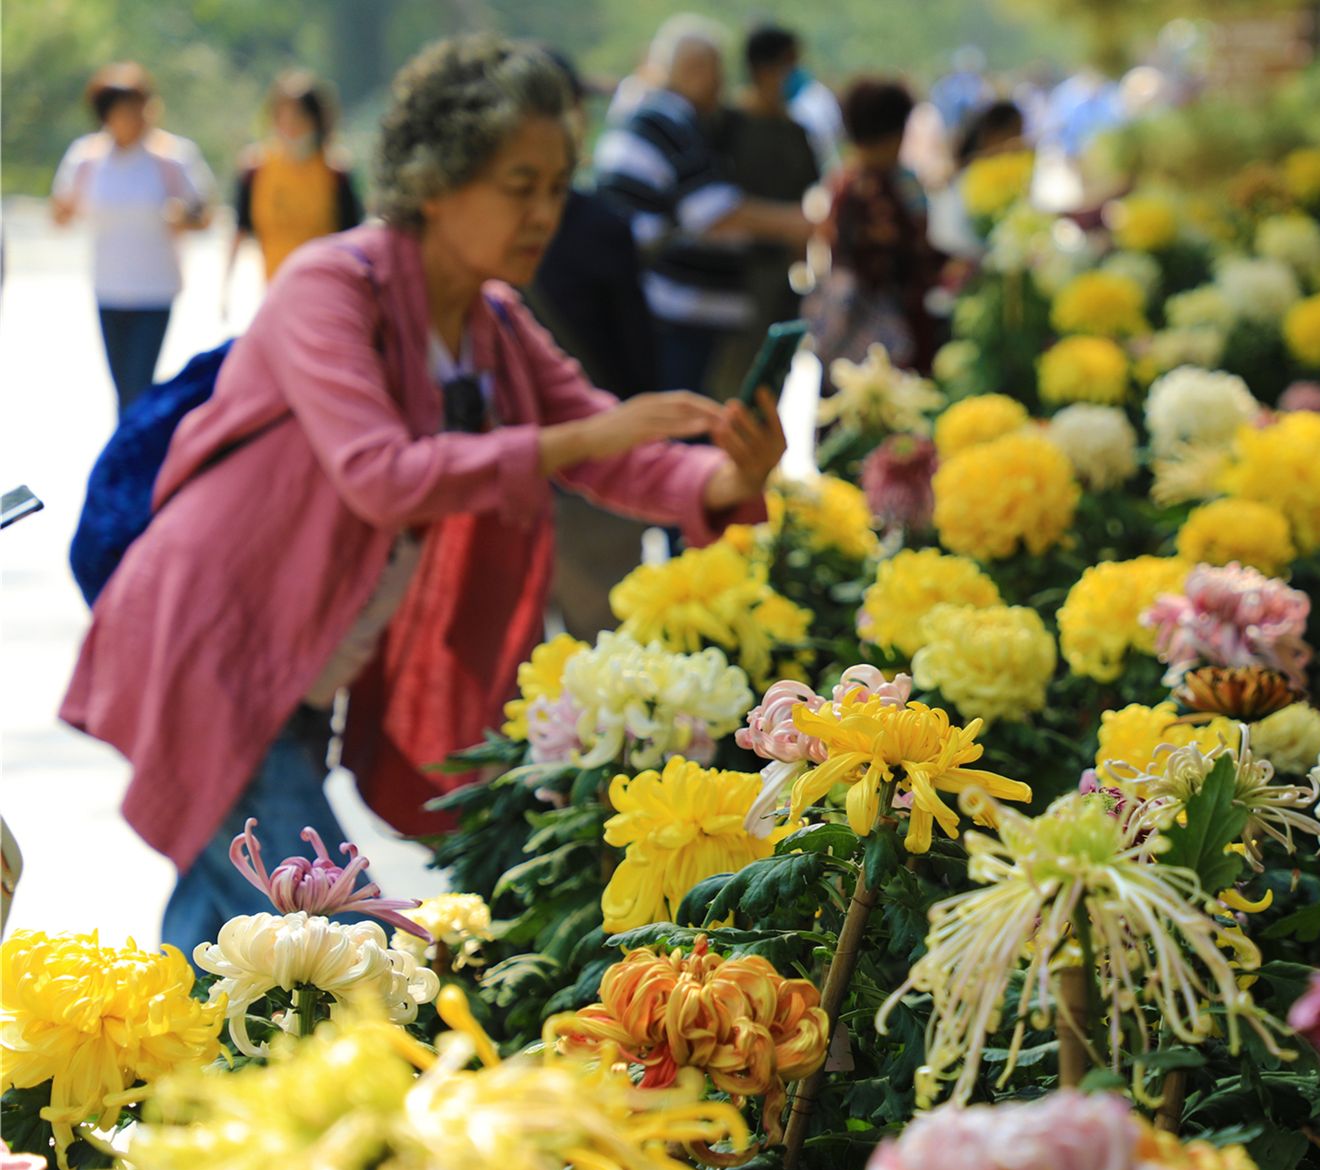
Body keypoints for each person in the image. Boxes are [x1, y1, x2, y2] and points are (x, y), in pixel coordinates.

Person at [61, 36, 784, 954]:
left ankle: (160, 1085)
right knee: (326, 945)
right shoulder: (328, 287)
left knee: (231, 938)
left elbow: (612, 455)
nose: (544, 215)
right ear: (436, 181)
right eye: (518, 186)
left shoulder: (490, 320)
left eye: (557, 187)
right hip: (221, 646)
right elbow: (380, 470)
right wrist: (581, 437)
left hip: (302, 666)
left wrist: (730, 475)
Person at [522, 46, 669, 642]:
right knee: (607, 681)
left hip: (563, 486)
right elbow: (638, 362)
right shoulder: (598, 223)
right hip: (580, 480)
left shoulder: (457, 233)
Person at [596, 16, 811, 394]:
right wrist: (798, 223)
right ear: (696, 69)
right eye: (716, 71)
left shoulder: (670, 117)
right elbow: (713, 212)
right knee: (684, 425)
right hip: (672, 309)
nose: (721, 84)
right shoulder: (668, 119)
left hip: (677, 309)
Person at [51, 63, 217, 417]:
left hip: (155, 289)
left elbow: (204, 214)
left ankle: (130, 464)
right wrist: (65, 208)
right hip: (108, 287)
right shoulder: (87, 158)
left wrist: (180, 217)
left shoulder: (172, 157)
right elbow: (60, 215)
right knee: (123, 389)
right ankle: (131, 462)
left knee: (137, 387)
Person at [709, 24, 821, 395]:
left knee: (770, 389)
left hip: (779, 282)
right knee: (730, 386)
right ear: (762, 68)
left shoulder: (797, 132)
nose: (796, 75)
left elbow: (803, 199)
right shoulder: (725, 126)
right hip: (731, 280)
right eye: (789, 64)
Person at [806, 80, 939, 370]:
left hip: (861, 330)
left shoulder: (847, 180)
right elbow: (898, 255)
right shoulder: (871, 190)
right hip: (882, 334)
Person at [223, 70, 363, 312]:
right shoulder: (256, 169)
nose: (290, 127)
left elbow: (354, 241)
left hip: (325, 293)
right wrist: (226, 288)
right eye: (283, 118)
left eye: (299, 118)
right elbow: (240, 228)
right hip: (275, 291)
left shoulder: (336, 172)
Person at [928, 100, 1026, 263]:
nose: (1019, 144)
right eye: (1016, 133)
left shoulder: (976, 173)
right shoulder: (973, 177)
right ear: (992, 135)